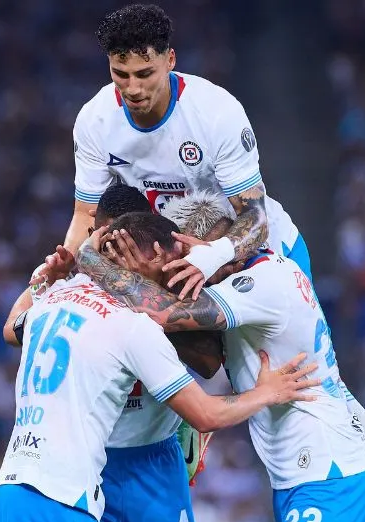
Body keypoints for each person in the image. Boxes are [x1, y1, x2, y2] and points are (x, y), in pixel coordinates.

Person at [78, 197, 365, 522]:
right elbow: (205, 358)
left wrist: (90, 259)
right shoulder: (250, 280)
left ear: (205, 250)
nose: (178, 277)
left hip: (328, 477)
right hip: (297, 479)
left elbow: (162, 313)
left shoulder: (261, 284)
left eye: (181, 265)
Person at [0, 212, 319, 522]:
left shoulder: (57, 297)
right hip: (59, 498)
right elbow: (205, 414)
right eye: (174, 263)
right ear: (150, 257)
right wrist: (266, 392)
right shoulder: (134, 326)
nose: (178, 277)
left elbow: (12, 327)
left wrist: (46, 277)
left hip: (15, 485)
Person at [4, 184, 220, 522]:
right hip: (90, 465)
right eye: (109, 240)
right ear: (94, 235)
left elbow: (209, 362)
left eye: (127, 242)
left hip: (154, 457)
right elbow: (12, 331)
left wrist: (144, 299)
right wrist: (48, 280)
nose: (116, 254)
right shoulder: (70, 283)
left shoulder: (164, 280)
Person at [52, 3, 311, 301]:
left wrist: (212, 256)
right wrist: (65, 266)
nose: (133, 88)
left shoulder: (216, 112)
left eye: (145, 73)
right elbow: (86, 214)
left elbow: (256, 216)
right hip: (176, 266)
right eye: (121, 74)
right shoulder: (94, 120)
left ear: (170, 60)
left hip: (260, 256)